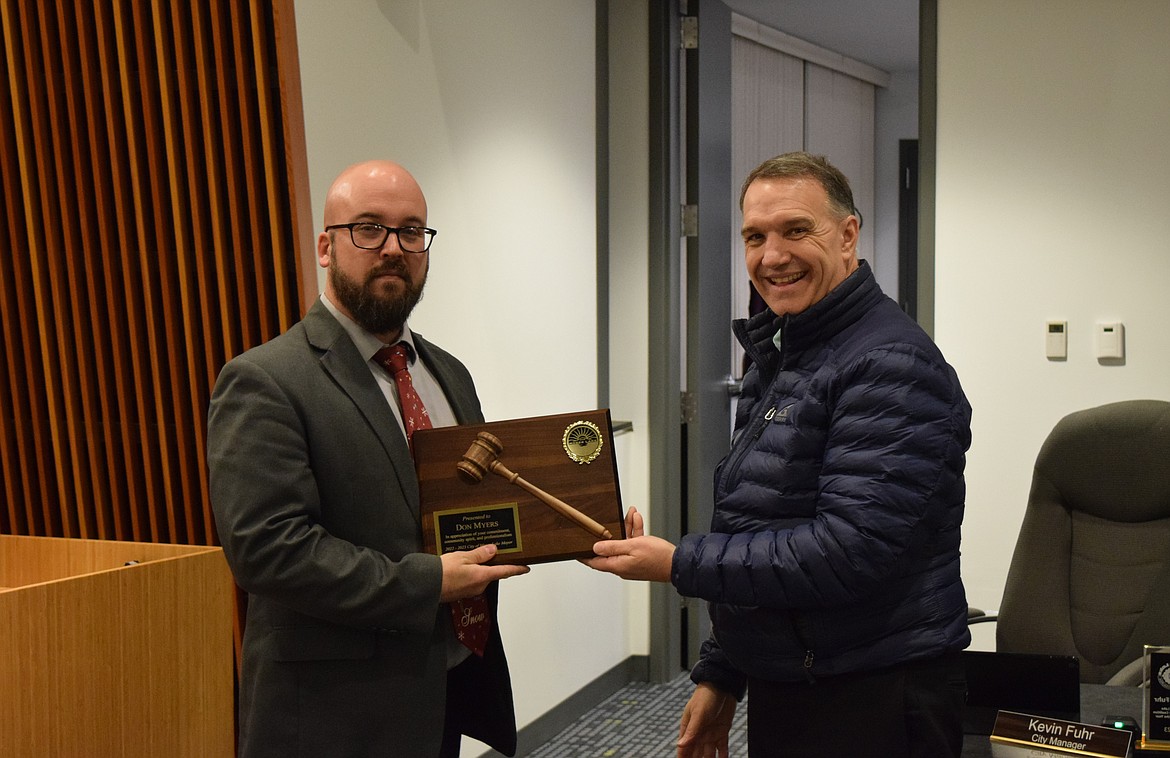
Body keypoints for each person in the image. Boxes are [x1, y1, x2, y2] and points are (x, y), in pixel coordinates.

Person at [585, 152, 972, 758]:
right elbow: (759, 518)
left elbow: (847, 552)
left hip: (875, 692)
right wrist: (723, 671)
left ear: (848, 236)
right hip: (797, 676)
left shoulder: (891, 365)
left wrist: (676, 562)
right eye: (754, 237)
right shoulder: (786, 348)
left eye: (796, 230)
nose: (772, 257)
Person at [208, 160, 528, 757]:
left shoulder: (447, 372)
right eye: (369, 228)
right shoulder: (264, 380)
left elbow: (473, 503)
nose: (393, 248)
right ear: (325, 247)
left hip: (442, 692)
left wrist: (577, 528)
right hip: (334, 715)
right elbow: (268, 549)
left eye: (412, 231)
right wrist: (427, 582)